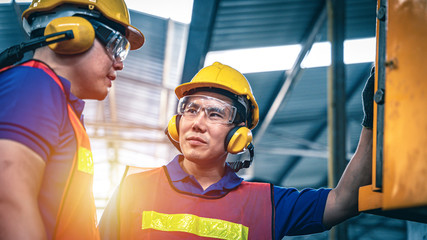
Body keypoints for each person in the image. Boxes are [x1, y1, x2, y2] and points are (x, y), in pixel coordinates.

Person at [99, 62, 374, 239]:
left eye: (215, 114)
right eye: (191, 109)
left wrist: (371, 122)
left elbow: (344, 202)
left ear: (239, 133)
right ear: (177, 122)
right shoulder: (132, 189)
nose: (198, 123)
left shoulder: (266, 203)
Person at [0, 0, 144, 239]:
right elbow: (8, 201)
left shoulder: (59, 103)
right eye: (116, 46)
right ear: (73, 32)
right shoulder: (32, 84)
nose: (119, 64)